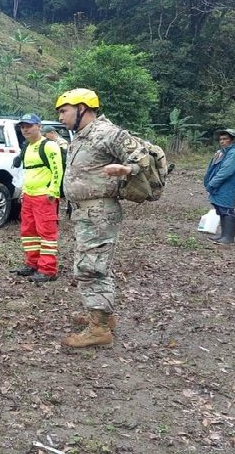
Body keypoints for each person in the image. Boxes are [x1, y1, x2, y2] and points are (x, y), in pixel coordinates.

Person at [55, 88, 147, 349]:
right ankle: (102, 314)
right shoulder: (81, 136)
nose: (61, 117)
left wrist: (128, 168)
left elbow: (141, 154)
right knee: (91, 264)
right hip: (85, 211)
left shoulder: (106, 133)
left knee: (91, 267)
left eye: (64, 111)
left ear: (83, 108)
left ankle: (99, 328)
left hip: (99, 212)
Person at [13, 114, 63, 283]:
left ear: (39, 126)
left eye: (29, 126)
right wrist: (23, 192)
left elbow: (58, 170)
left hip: (44, 197)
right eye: (22, 126)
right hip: (29, 196)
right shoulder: (27, 147)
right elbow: (27, 172)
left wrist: (53, 192)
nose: (25, 129)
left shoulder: (49, 146)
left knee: (46, 233)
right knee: (29, 233)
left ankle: (48, 270)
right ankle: (32, 264)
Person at [203, 129, 235, 244]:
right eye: (221, 139)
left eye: (225, 139)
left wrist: (212, 183)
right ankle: (223, 235)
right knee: (221, 209)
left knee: (227, 209)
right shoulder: (224, 152)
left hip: (227, 185)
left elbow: (226, 171)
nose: (222, 141)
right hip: (220, 185)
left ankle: (228, 237)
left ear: (232, 140)